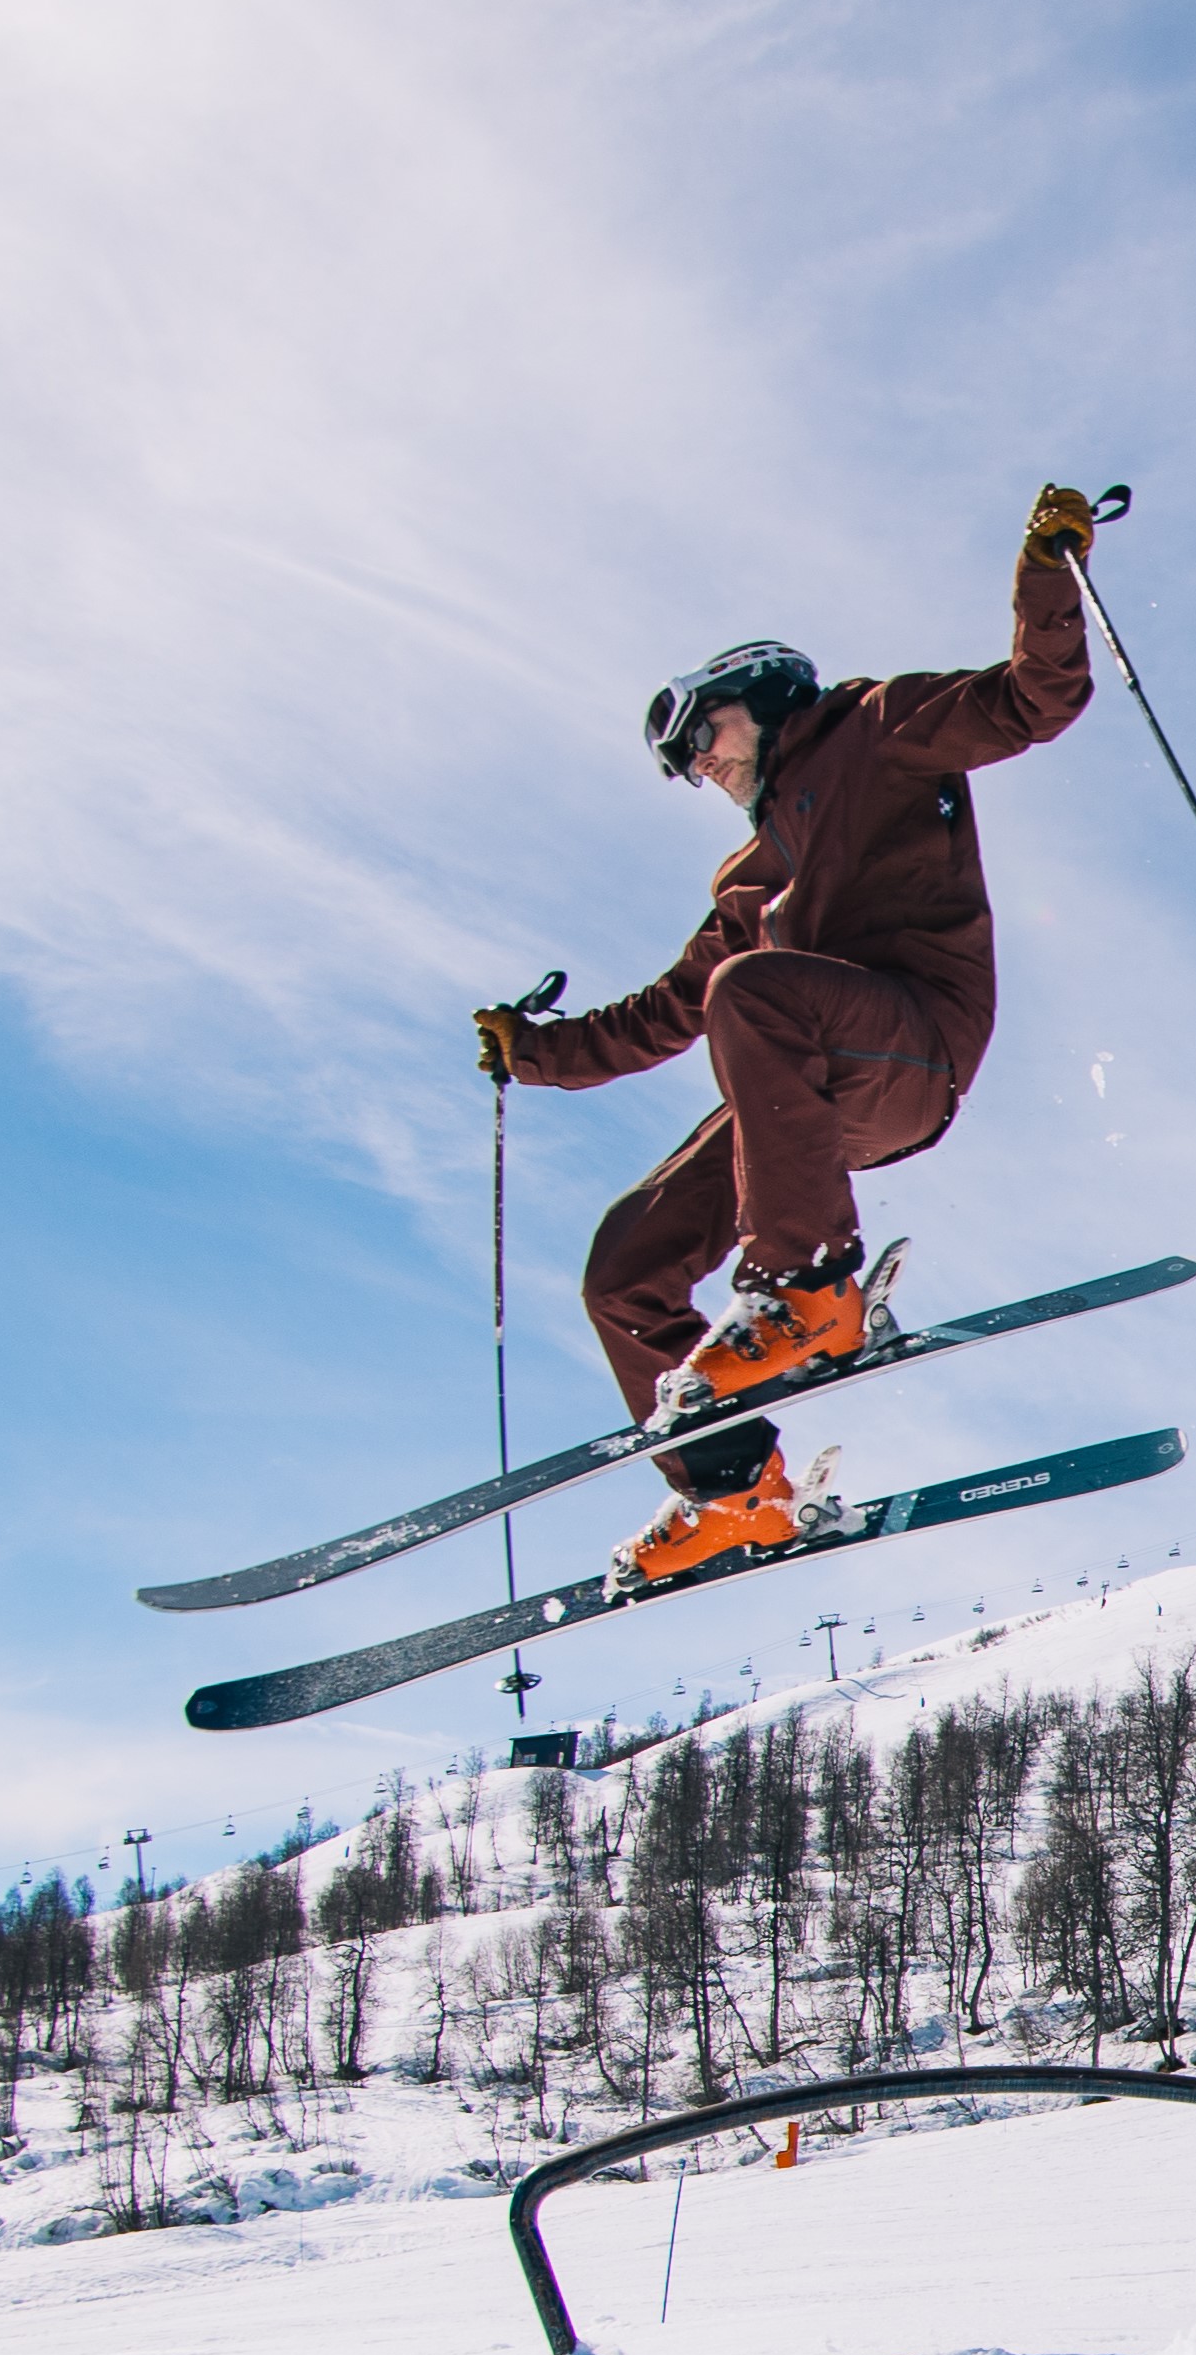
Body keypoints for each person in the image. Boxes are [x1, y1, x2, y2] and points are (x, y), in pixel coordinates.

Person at [476, 479, 1115, 1587]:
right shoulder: (753, 872)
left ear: (761, 698)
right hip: (804, 1096)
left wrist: (1046, 574)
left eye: (702, 738)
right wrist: (532, 1052)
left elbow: (1032, 700)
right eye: (682, 768)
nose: (700, 769)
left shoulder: (878, 727)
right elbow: (671, 1012)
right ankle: (735, 1496)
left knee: (755, 994)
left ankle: (810, 1290)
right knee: (626, 1265)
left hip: (912, 1044)